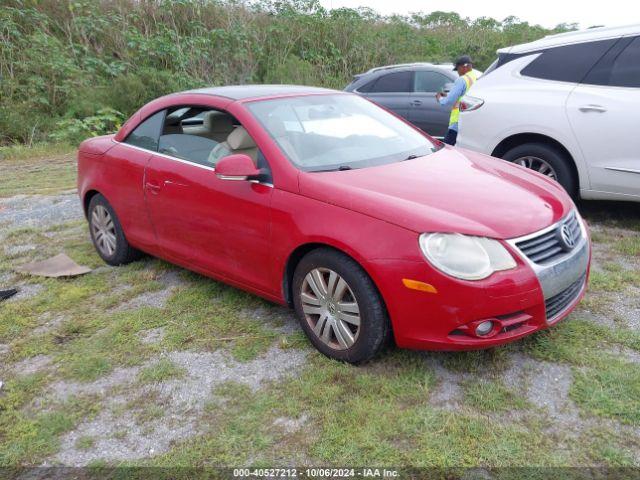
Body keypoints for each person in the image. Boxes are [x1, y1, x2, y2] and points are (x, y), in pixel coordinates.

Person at [436, 55, 478, 146]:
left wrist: (440, 98)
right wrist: (448, 95)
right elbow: (464, 95)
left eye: (458, 69)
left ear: (464, 66)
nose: (458, 72)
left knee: (447, 149)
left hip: (457, 121)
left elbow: (448, 101)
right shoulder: (476, 77)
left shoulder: (462, 80)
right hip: (471, 118)